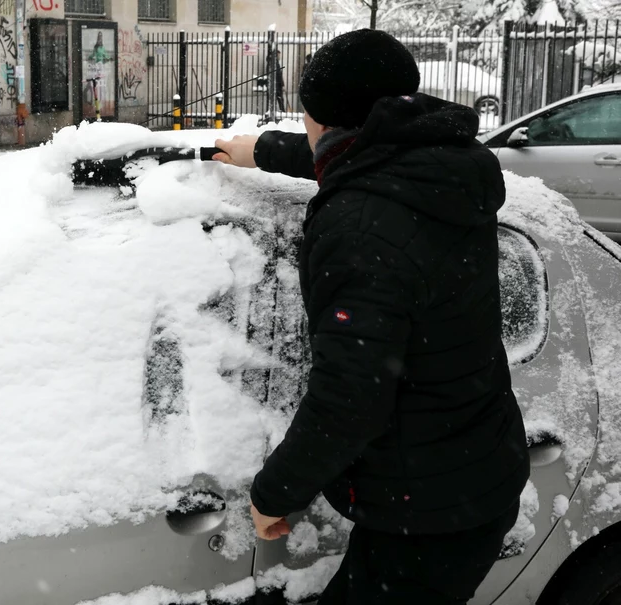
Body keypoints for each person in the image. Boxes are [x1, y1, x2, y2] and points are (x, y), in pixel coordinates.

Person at [213, 29, 529, 605]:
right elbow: (352, 157)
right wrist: (256, 150)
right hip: (469, 474)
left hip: (426, 514)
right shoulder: (443, 166)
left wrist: (273, 494)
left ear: (326, 121)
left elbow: (350, 396)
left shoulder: (358, 230)